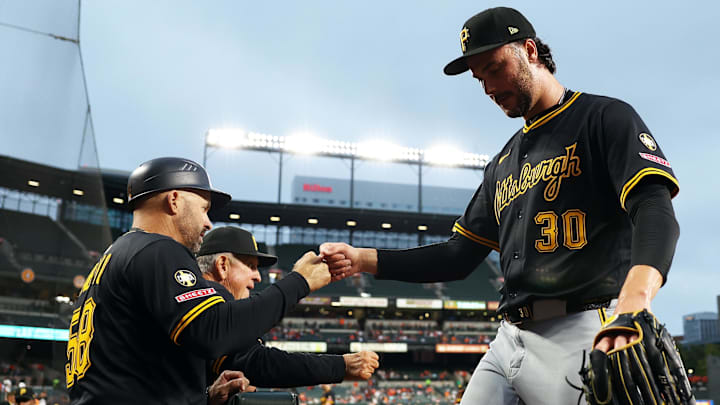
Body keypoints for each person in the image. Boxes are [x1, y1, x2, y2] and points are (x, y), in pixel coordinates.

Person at [321, 7, 681, 405]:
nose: (488, 88)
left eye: (494, 69)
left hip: (582, 327)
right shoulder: (502, 164)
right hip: (509, 337)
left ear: (530, 50)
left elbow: (653, 206)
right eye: (479, 79)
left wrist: (636, 299)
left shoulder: (603, 117)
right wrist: (361, 259)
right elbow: (457, 257)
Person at [65, 157, 331, 404]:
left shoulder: (116, 254)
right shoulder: (156, 249)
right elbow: (211, 331)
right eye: (204, 208)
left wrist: (205, 398)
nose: (208, 222)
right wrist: (299, 282)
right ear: (174, 200)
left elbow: (135, 372)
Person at [196, 226, 380, 387]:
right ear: (222, 265)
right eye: (251, 266)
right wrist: (342, 365)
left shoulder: (203, 304)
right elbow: (256, 362)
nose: (258, 277)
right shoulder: (205, 297)